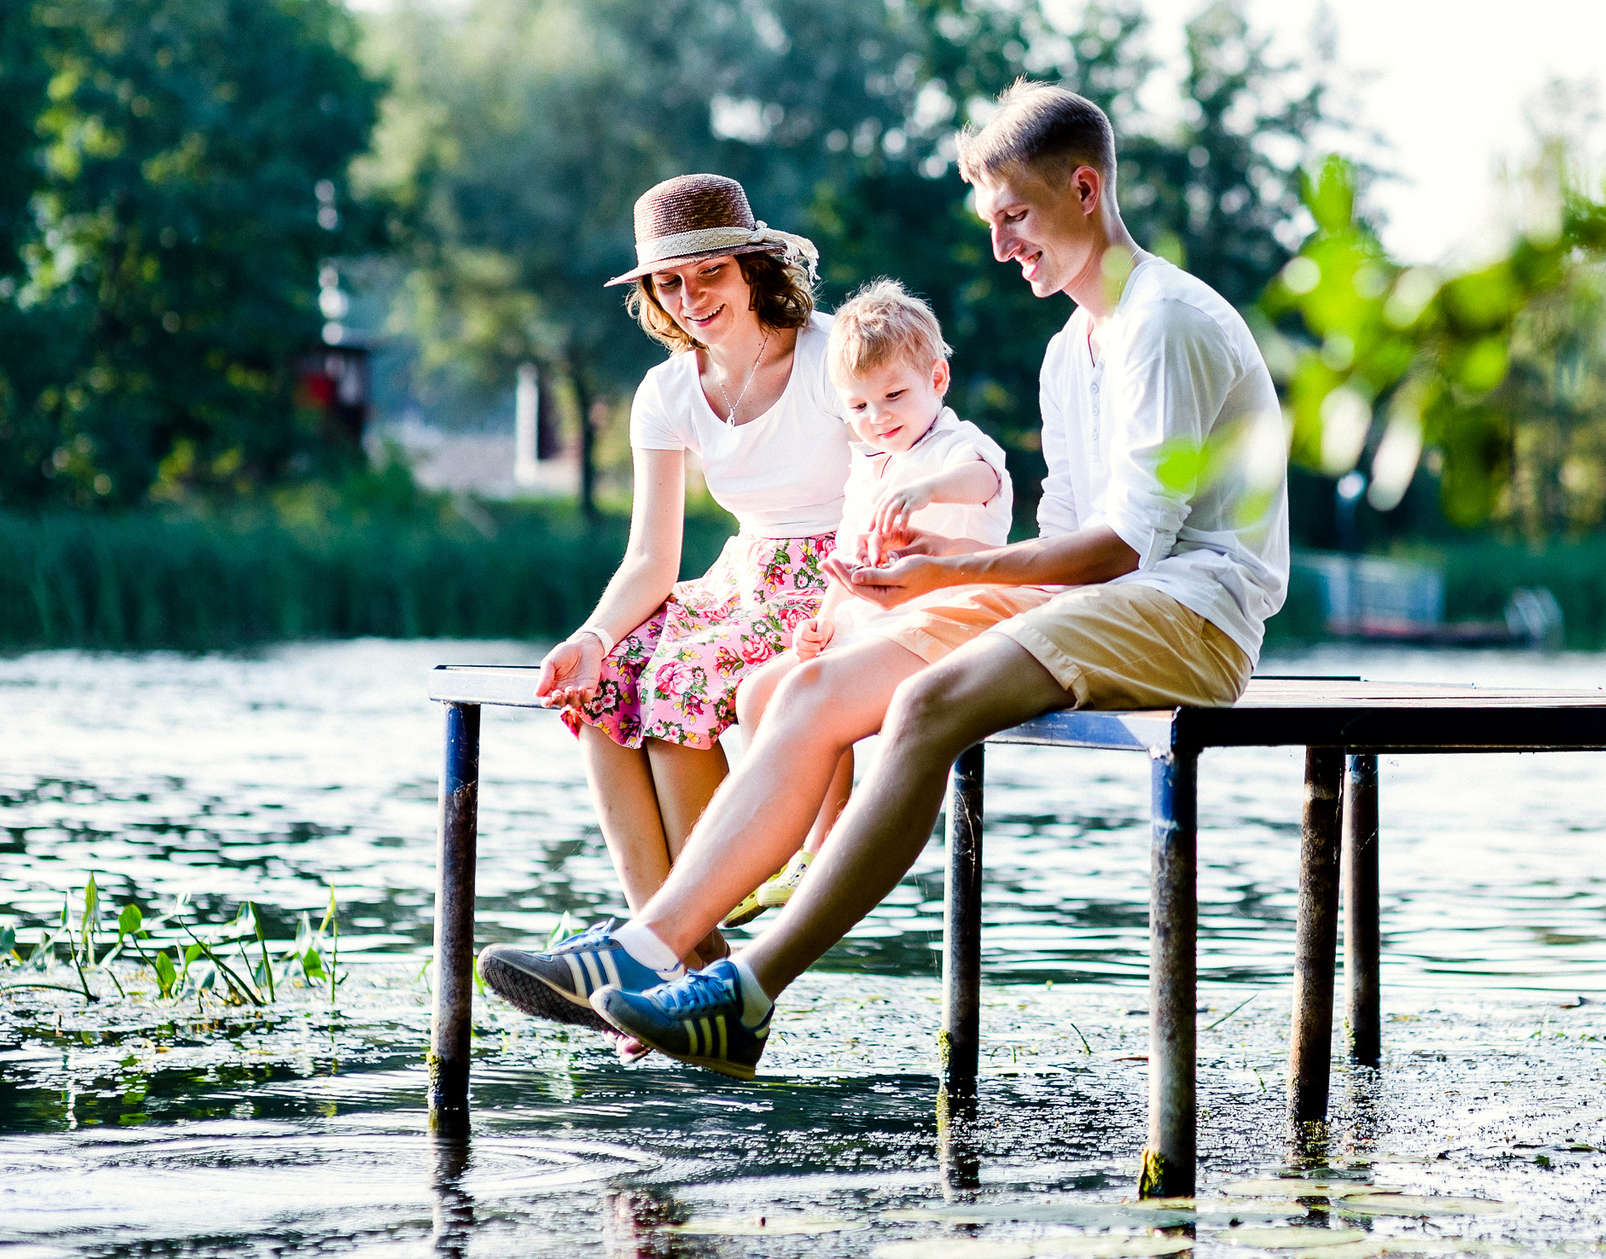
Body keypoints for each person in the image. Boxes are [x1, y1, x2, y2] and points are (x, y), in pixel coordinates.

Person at [478, 81, 1290, 1077]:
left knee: (924, 704)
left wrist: (953, 570)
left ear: (1084, 188)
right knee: (812, 688)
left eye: (1015, 216)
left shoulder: (1159, 322)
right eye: (992, 222)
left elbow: (1127, 547)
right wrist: (925, 598)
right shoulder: (1067, 347)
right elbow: (1068, 531)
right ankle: (645, 950)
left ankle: (743, 991)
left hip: (1190, 613)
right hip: (1100, 604)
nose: (1002, 246)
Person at [518, 173, 854, 1003]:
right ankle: (673, 972)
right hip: (742, 577)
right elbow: (650, 561)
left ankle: (679, 966)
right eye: (670, 281)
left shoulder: (830, 353)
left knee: (681, 681)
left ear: (750, 266)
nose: (691, 296)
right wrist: (592, 639)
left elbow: (904, 461)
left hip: (842, 578)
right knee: (603, 692)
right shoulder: (667, 392)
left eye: (709, 272)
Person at [719, 277, 1029, 926]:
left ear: (936, 381)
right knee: (757, 694)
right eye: (858, 406)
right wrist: (820, 622)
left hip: (943, 626)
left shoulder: (955, 446)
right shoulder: (868, 465)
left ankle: (817, 847)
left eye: (894, 396)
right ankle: (782, 840)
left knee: (814, 701)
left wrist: (926, 492)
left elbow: (985, 481)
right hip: (863, 631)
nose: (878, 416)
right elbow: (849, 559)